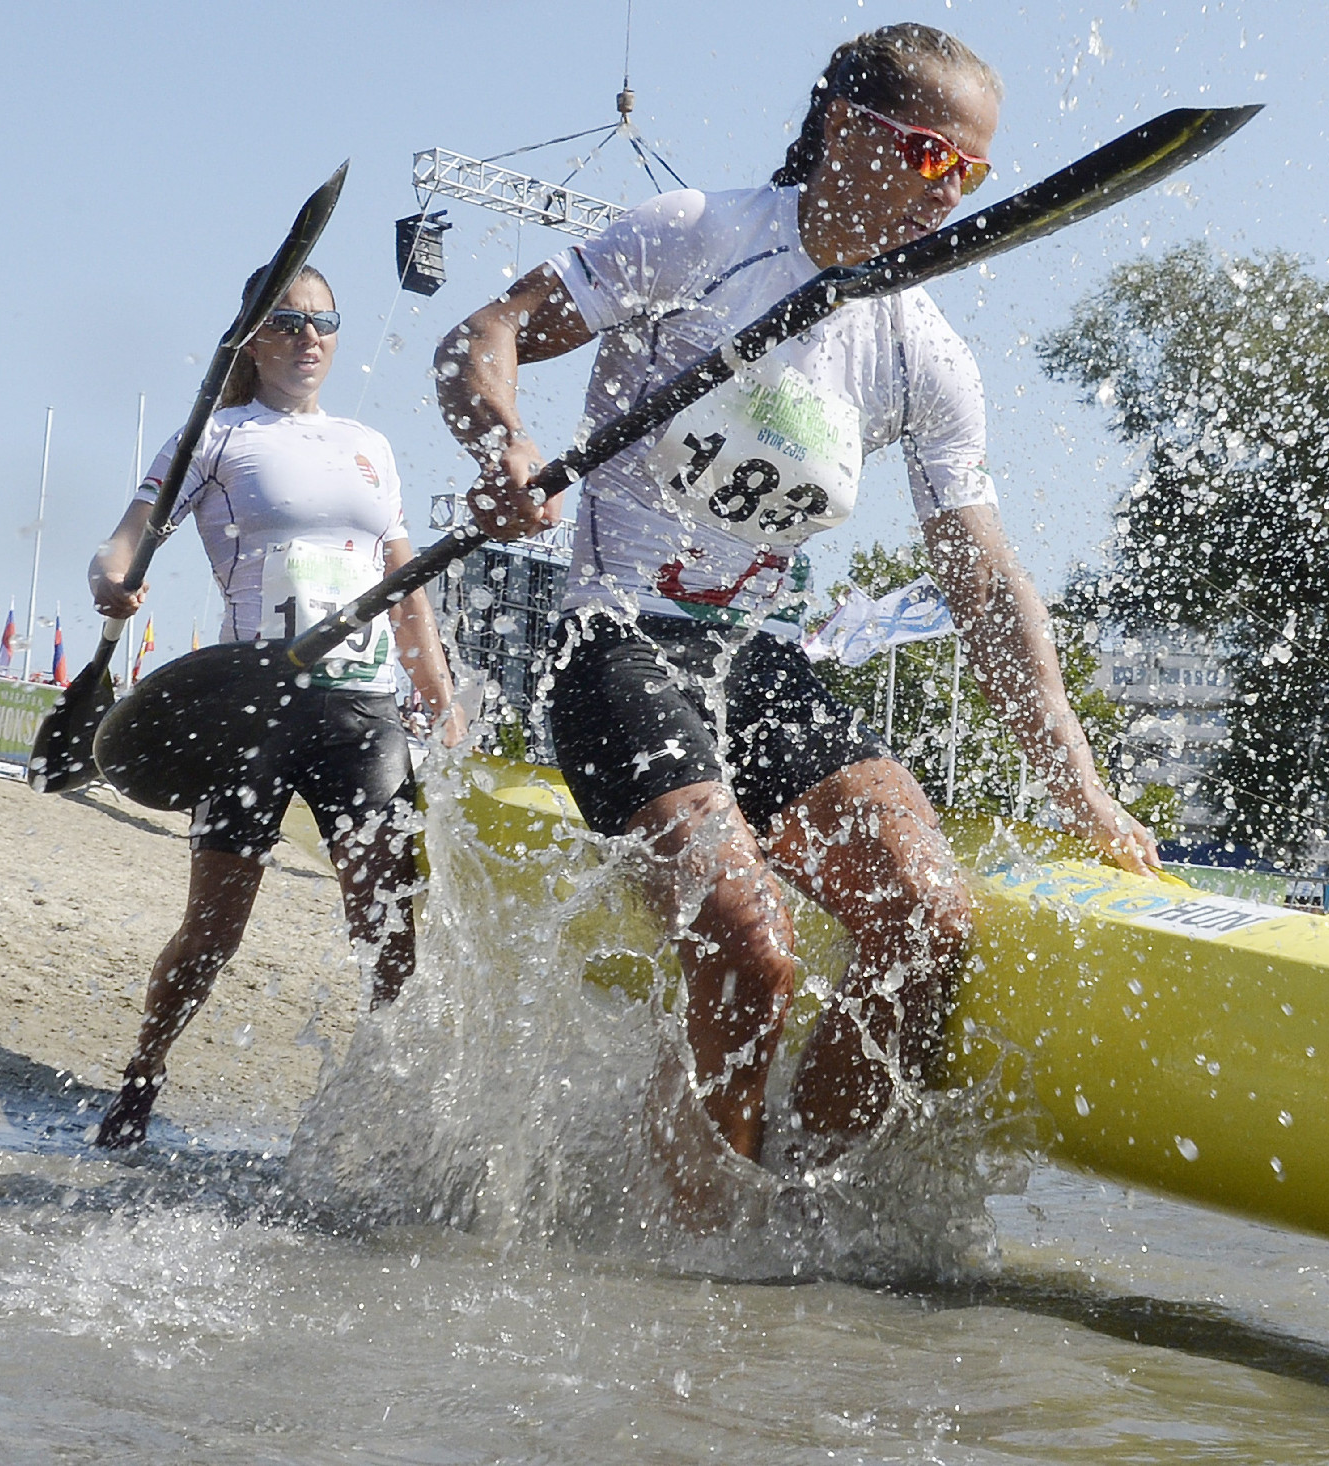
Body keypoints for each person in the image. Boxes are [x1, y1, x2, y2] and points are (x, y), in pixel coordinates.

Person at [435, 23, 1159, 1180]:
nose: (952, 197)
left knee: (931, 926)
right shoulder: (698, 238)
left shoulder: (927, 354)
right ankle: (697, 1244)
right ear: (841, 127)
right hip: (615, 640)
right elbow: (484, 334)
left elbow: (984, 580)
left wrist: (1081, 788)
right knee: (751, 945)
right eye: (931, 158)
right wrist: (502, 445)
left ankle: (793, 1220)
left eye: (972, 176)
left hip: (761, 659)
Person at [87, 264, 464, 1148]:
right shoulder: (213, 438)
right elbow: (126, 540)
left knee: (388, 926)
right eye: (289, 323)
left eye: (325, 322)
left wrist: (439, 694)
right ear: (253, 337)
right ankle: (143, 1074)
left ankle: (389, 1108)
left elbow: (404, 585)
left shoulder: (371, 444)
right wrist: (111, 581)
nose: (309, 338)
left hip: (363, 711)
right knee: (213, 933)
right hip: (251, 714)